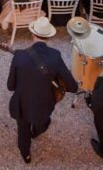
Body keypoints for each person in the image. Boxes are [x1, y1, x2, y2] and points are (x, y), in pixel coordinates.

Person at [6, 17, 79, 163]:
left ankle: (26, 155)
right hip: (44, 104)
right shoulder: (55, 56)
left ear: (33, 34)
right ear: (49, 37)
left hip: (21, 104)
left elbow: (10, 86)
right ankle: (37, 132)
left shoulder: (19, 55)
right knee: (42, 122)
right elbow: (72, 86)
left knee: (22, 131)